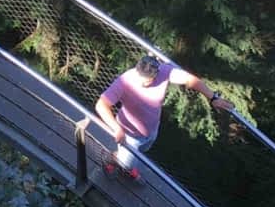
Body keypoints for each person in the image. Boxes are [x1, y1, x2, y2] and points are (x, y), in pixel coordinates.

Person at [94, 54, 233, 179]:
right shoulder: (124, 81)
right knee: (125, 161)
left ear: (156, 74)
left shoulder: (164, 72)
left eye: (147, 80)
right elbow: (101, 104)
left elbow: (190, 80)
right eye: (140, 77)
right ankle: (113, 161)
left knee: (141, 152)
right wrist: (116, 129)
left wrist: (213, 97)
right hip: (128, 134)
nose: (142, 83)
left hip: (151, 130)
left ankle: (128, 164)